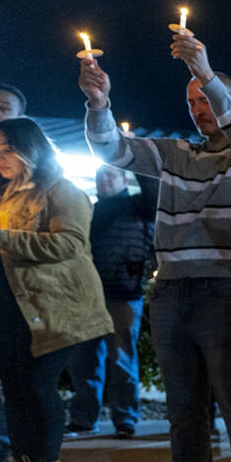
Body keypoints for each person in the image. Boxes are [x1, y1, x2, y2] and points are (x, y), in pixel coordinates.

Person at [80, 32, 231, 462]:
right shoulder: (174, 154)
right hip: (170, 289)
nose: (200, 108)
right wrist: (99, 103)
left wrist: (205, 72)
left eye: (207, 98)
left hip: (230, 289)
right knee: (183, 408)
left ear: (229, 102)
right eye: (191, 100)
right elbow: (111, 149)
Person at [0, 118, 113, 462]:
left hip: (53, 310)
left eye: (7, 149)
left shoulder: (62, 190)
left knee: (39, 389)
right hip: (10, 309)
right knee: (17, 393)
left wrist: (3, 237)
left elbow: (71, 243)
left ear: (32, 148)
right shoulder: (0, 192)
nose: (0, 157)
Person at [64, 164, 157, 439]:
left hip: (124, 294)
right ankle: (83, 419)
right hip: (89, 295)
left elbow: (153, 187)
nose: (104, 179)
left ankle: (125, 419)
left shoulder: (140, 205)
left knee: (121, 359)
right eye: (100, 176)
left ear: (124, 177)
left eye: (110, 174)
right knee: (83, 360)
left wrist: (133, 158)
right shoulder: (92, 210)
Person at [0, 82, 25, 462]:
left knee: (8, 378)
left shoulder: (34, 169)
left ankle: (13, 458)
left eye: (4, 107)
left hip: (15, 291)